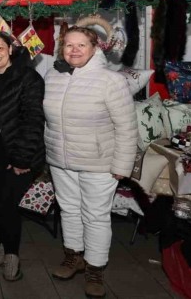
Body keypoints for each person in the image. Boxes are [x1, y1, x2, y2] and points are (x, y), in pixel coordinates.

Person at [44, 26, 138, 299]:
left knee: (95, 215)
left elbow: (127, 127)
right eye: (68, 45)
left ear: (94, 48)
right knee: (69, 210)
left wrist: (122, 166)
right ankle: (73, 257)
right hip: (60, 160)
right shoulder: (53, 76)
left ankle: (95, 269)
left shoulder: (111, 80)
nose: (74, 50)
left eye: (81, 45)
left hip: (99, 163)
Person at [0, 31, 45, 282]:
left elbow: (33, 120)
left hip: (18, 155)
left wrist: (21, 159)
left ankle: (12, 254)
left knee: (6, 204)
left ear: (10, 49)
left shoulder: (28, 78)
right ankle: (5, 244)